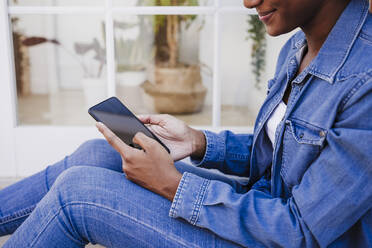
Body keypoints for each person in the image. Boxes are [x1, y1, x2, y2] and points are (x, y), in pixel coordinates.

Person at [1, 0, 372, 247]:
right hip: (264, 210)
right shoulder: (300, 48)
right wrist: (198, 142)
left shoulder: (365, 80)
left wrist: (172, 184)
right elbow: (282, 158)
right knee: (98, 155)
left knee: (77, 194)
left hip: (280, 236)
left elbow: (302, 232)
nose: (247, 2)